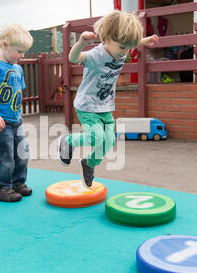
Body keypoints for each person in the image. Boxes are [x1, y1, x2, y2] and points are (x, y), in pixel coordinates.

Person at [58, 10, 159, 187]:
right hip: (87, 106)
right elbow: (72, 57)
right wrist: (81, 42)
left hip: (105, 106)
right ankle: (69, 141)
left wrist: (144, 41)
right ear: (109, 39)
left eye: (129, 47)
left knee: (109, 141)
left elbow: (128, 43)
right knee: (96, 137)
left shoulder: (120, 48)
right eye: (123, 47)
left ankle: (89, 163)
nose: (125, 52)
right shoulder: (97, 56)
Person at [0, 24, 33, 202]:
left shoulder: (18, 68)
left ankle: (18, 183)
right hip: (0, 121)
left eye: (24, 52)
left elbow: (18, 92)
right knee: (5, 156)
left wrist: (19, 114)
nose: (22, 55)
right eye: (19, 51)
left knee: (22, 153)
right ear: (4, 45)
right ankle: (1, 188)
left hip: (15, 119)